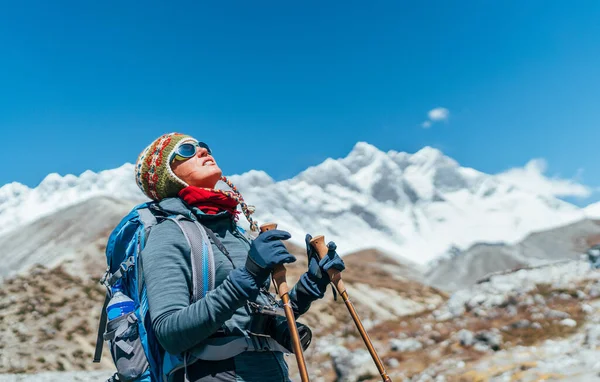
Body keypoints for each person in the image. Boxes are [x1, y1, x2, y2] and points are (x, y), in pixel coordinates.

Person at [134, 132, 345, 382]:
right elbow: (170, 332)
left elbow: (255, 319)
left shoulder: (234, 230)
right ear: (167, 176)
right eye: (187, 150)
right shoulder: (168, 233)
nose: (203, 151)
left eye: (203, 146)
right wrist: (249, 276)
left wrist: (312, 284)